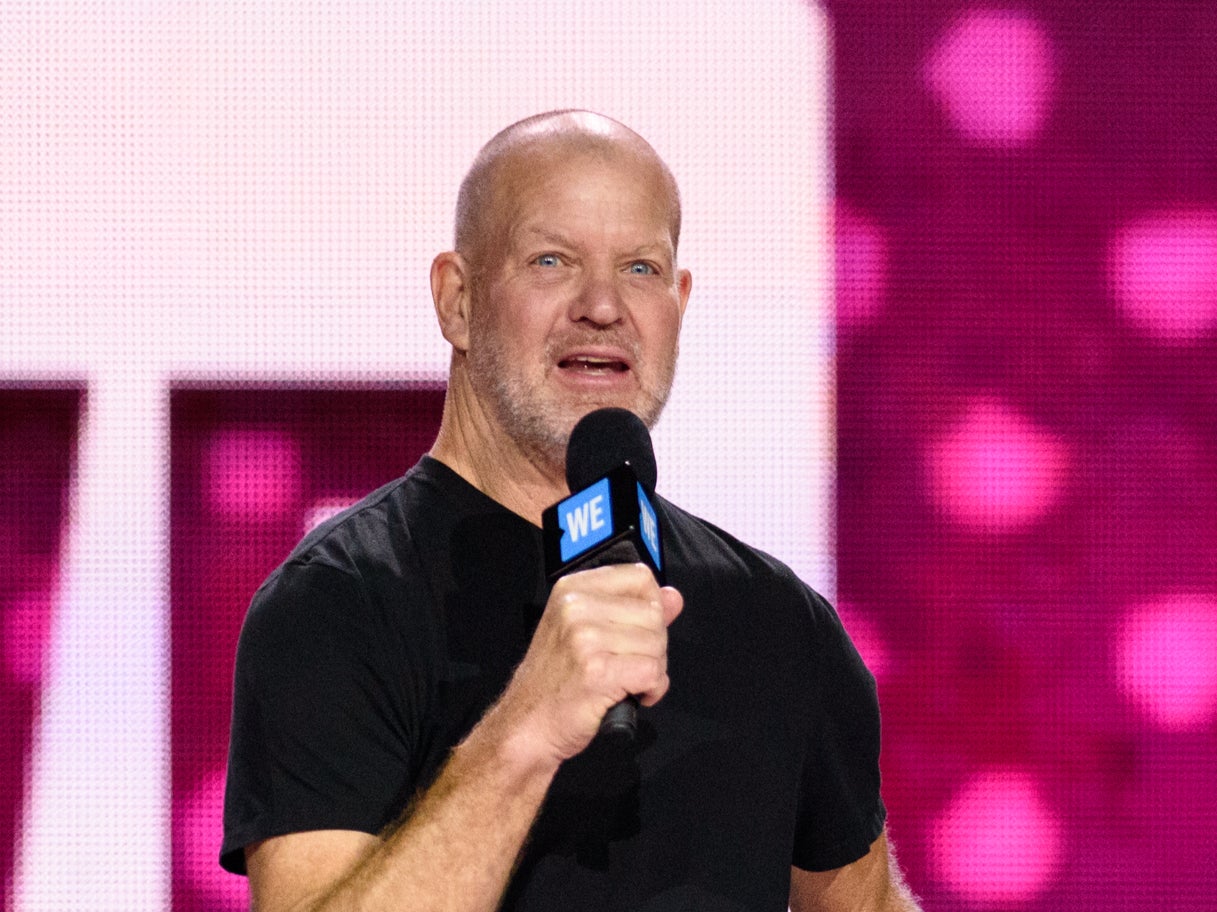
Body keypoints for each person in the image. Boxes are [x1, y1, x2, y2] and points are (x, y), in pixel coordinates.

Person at [221, 109, 922, 911]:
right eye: (551, 260)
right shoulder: (337, 604)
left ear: (679, 302)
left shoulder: (777, 622)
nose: (601, 305)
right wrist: (526, 731)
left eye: (640, 269)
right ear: (456, 300)